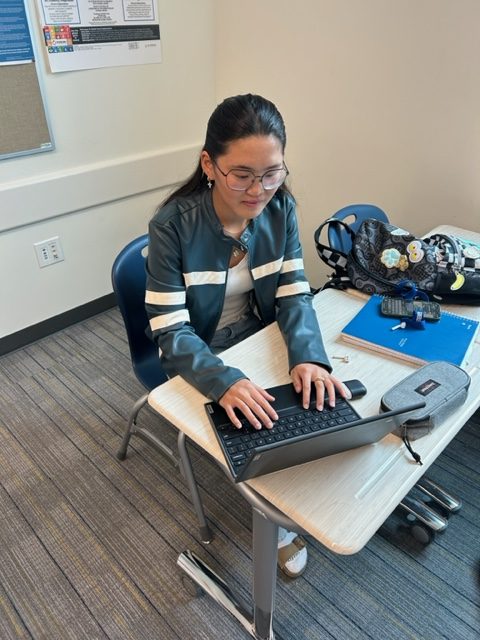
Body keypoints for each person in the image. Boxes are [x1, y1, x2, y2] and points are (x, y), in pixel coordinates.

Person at [145, 93, 349, 578]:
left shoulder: (282, 209)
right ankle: (279, 524)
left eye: (272, 172)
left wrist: (308, 357)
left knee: (316, 393)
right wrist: (223, 380)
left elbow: (295, 294)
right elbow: (171, 330)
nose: (259, 190)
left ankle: (307, 497)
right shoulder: (172, 226)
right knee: (261, 426)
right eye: (242, 174)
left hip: (258, 333)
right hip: (201, 346)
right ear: (209, 165)